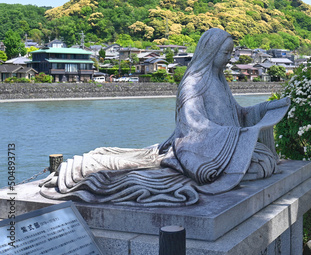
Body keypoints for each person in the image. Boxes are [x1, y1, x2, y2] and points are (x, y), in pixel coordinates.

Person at [40, 28, 290, 206]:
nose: (229, 59)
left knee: (263, 161)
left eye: (230, 53)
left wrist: (266, 109)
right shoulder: (194, 84)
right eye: (225, 53)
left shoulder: (219, 80)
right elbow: (194, 127)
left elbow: (239, 114)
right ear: (211, 52)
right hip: (200, 151)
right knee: (258, 164)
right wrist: (237, 136)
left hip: (223, 145)